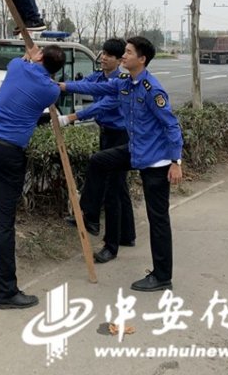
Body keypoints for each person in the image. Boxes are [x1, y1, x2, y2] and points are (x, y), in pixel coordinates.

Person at [60, 36, 183, 292]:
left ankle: (162, 276)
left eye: (128, 52)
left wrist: (176, 161)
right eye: (124, 52)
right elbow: (98, 89)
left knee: (157, 218)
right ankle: (90, 215)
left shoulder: (152, 89)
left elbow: (170, 125)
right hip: (135, 151)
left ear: (142, 59)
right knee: (99, 161)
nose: (123, 56)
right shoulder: (126, 83)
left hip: (157, 161)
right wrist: (62, 86)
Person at [0, 43, 66, 309]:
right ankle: (6, 292)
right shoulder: (50, 91)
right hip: (8, 151)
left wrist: (30, 57)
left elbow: (24, 64)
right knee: (7, 220)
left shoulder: (16, 67)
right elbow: (41, 101)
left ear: (39, 57)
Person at [59, 38, 136, 263]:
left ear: (119, 60)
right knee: (119, 186)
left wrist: (73, 117)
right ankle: (127, 235)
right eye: (102, 54)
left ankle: (108, 243)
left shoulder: (122, 81)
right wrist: (61, 85)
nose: (103, 58)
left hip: (121, 136)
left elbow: (103, 105)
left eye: (109, 56)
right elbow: (87, 85)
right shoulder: (99, 76)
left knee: (113, 188)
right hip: (107, 133)